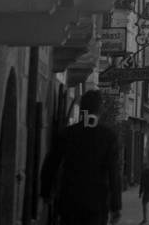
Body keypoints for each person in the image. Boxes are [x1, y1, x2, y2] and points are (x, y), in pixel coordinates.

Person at [40, 90, 123, 225]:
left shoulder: (68, 134)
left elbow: (51, 163)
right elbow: (114, 173)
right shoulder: (108, 137)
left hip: (70, 200)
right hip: (96, 203)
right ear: (100, 110)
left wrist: (46, 192)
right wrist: (116, 207)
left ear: (82, 109)